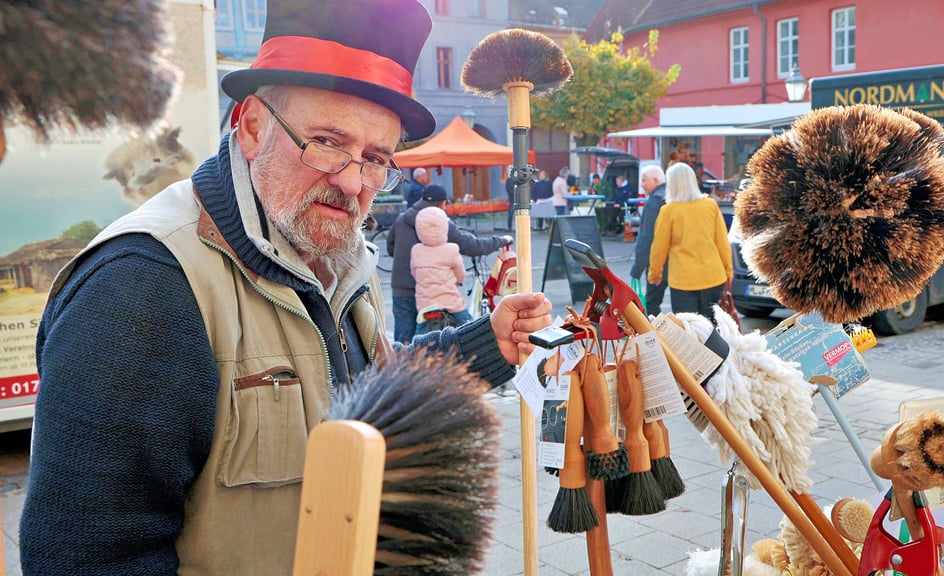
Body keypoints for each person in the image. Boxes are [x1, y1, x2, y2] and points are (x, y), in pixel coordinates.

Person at [18, 1, 552, 573]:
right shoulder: (140, 289)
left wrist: (485, 346)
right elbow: (87, 556)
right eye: (326, 141)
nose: (352, 182)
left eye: (376, 158)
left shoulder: (332, 249)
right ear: (251, 126)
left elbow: (354, 387)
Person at [389, 184, 512, 344]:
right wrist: (500, 241)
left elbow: (390, 248)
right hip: (435, 293)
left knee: (403, 342)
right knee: (460, 332)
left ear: (421, 199)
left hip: (402, 287)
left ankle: (401, 367)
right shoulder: (441, 223)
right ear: (443, 204)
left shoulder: (401, 219)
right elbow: (471, 246)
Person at [648, 162, 732, 321]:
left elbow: (659, 248)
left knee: (689, 332)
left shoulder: (668, 210)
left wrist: (655, 274)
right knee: (712, 330)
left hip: (683, 281)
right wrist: (729, 270)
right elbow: (722, 242)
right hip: (713, 277)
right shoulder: (710, 205)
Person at [411, 206, 472, 333]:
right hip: (451, 303)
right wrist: (459, 280)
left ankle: (415, 351)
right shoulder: (452, 249)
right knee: (469, 328)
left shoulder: (416, 250)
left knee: (420, 336)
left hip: (426, 305)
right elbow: (460, 274)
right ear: (444, 227)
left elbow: (414, 272)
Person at [630, 164, 668, 314]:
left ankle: (657, 337)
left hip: (658, 265)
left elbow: (646, 238)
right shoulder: (672, 196)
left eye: (644, 180)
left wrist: (637, 268)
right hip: (679, 264)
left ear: (656, 180)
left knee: (652, 306)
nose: (642, 185)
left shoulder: (654, 201)